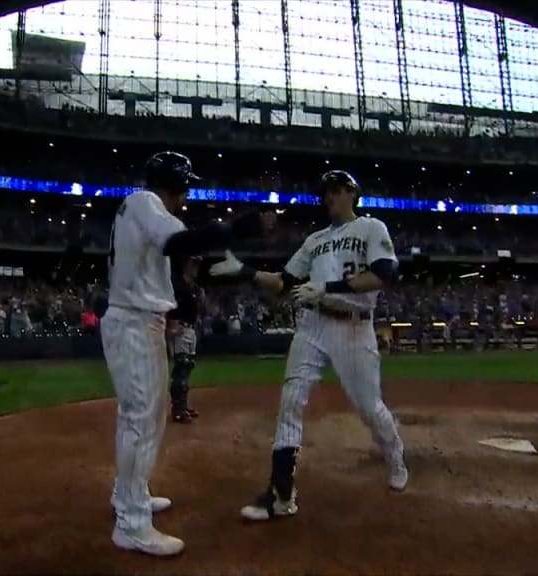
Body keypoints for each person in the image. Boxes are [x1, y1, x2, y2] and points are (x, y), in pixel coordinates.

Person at [210, 170, 408, 521]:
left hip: (353, 328)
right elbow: (284, 282)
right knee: (290, 400)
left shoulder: (371, 228)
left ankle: (394, 454)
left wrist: (329, 288)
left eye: (334, 190)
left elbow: (383, 274)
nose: (327, 197)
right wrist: (244, 271)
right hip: (312, 324)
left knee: (368, 407)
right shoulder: (315, 240)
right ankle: (280, 494)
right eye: (324, 192)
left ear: (351, 191)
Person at [102, 151, 271, 556]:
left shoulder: (140, 208)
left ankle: (129, 493)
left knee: (141, 417)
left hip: (139, 320)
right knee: (142, 421)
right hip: (133, 322)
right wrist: (236, 229)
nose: (187, 194)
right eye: (185, 185)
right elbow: (179, 241)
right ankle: (131, 522)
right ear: (174, 183)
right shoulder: (146, 203)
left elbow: (171, 249)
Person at [167, 255, 204, 423]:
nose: (196, 268)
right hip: (179, 329)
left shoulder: (194, 288)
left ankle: (183, 405)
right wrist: (170, 326)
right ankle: (177, 409)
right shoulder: (177, 285)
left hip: (190, 329)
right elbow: (167, 305)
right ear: (185, 265)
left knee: (187, 367)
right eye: (193, 264)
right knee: (180, 368)